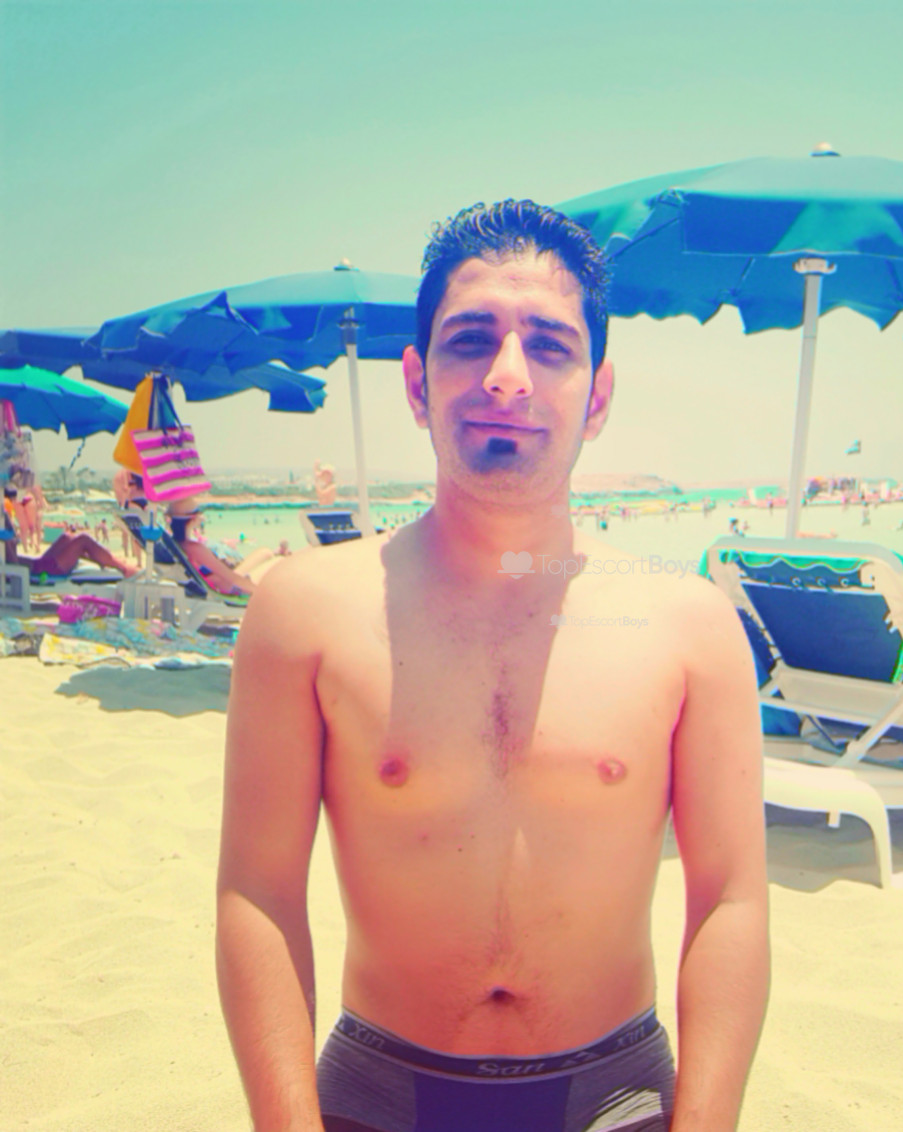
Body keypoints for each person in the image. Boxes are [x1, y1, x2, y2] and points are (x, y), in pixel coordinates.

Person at [216, 200, 769, 1132]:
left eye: (549, 347)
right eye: (471, 340)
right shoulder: (304, 612)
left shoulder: (690, 627)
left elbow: (731, 902)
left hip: (613, 1092)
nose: (507, 376)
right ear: (416, 381)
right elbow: (257, 892)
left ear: (598, 396)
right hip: (381, 1091)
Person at [3, 487, 137, 577]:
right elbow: (13, 564)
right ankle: (123, 568)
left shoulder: (3, 520)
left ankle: (104, 559)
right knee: (83, 540)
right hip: (38, 570)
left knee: (67, 537)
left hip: (35, 565)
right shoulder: (2, 525)